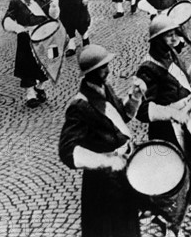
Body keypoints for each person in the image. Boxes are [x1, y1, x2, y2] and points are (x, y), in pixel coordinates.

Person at [59, 44, 142, 237]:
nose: (108, 70)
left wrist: (135, 97)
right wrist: (105, 160)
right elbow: (67, 150)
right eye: (103, 68)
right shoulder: (79, 106)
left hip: (121, 174)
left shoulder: (106, 89)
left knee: (127, 226)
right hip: (101, 182)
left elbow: (120, 118)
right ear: (91, 73)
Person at [134, 15, 191, 204]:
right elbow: (142, 110)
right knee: (173, 176)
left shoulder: (170, 54)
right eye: (168, 36)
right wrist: (173, 111)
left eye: (175, 34)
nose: (174, 40)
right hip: (167, 129)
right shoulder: (147, 68)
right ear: (157, 40)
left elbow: (185, 86)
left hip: (183, 121)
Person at [3, 0, 60, 108]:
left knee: (46, 62)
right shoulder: (17, 1)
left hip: (44, 34)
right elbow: (8, 19)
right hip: (26, 35)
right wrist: (17, 28)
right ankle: (30, 94)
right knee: (27, 65)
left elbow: (53, 17)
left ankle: (40, 87)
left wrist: (54, 6)